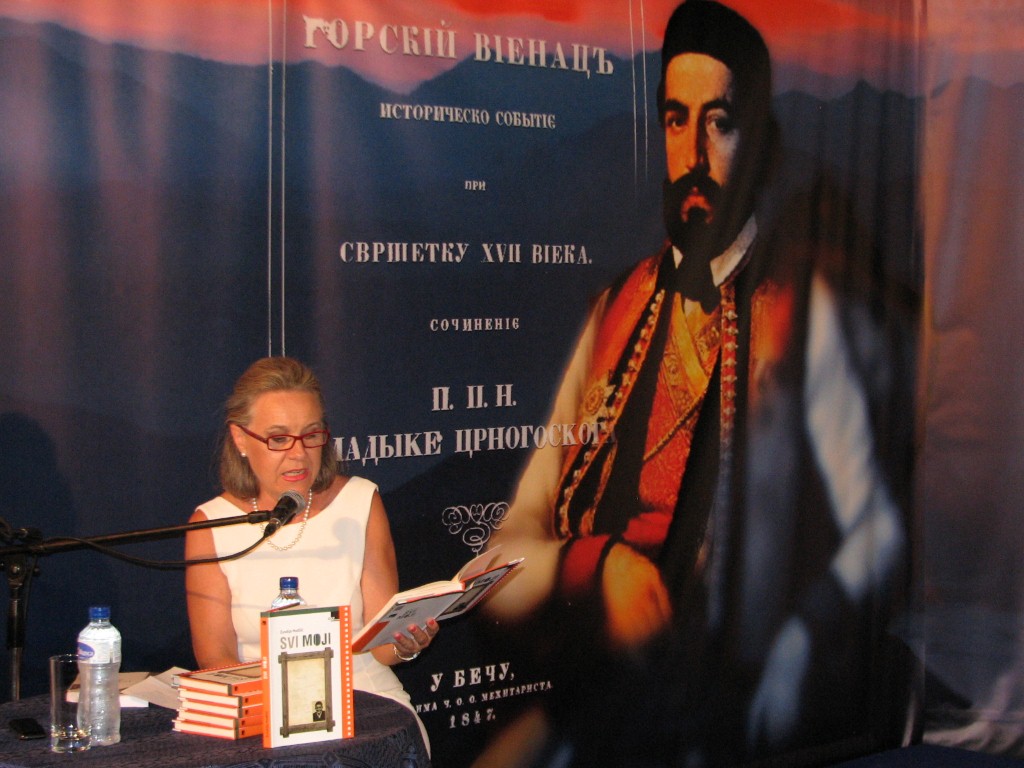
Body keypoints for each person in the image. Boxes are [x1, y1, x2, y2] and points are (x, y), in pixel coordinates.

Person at [483, 1, 914, 765]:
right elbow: (503, 557)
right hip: (602, 689)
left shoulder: (801, 314)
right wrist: (598, 566)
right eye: (676, 121)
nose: (693, 153)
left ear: (757, 143)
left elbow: (877, 531)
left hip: (732, 702)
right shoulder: (616, 311)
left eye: (720, 123)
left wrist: (800, 642)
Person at [185, 356, 439, 745]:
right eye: (278, 438)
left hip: (366, 701)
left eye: (311, 434)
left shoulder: (360, 502)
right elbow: (215, 658)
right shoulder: (210, 524)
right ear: (240, 439)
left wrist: (407, 643)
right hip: (265, 709)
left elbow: (384, 649)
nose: (299, 453)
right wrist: (285, 709)